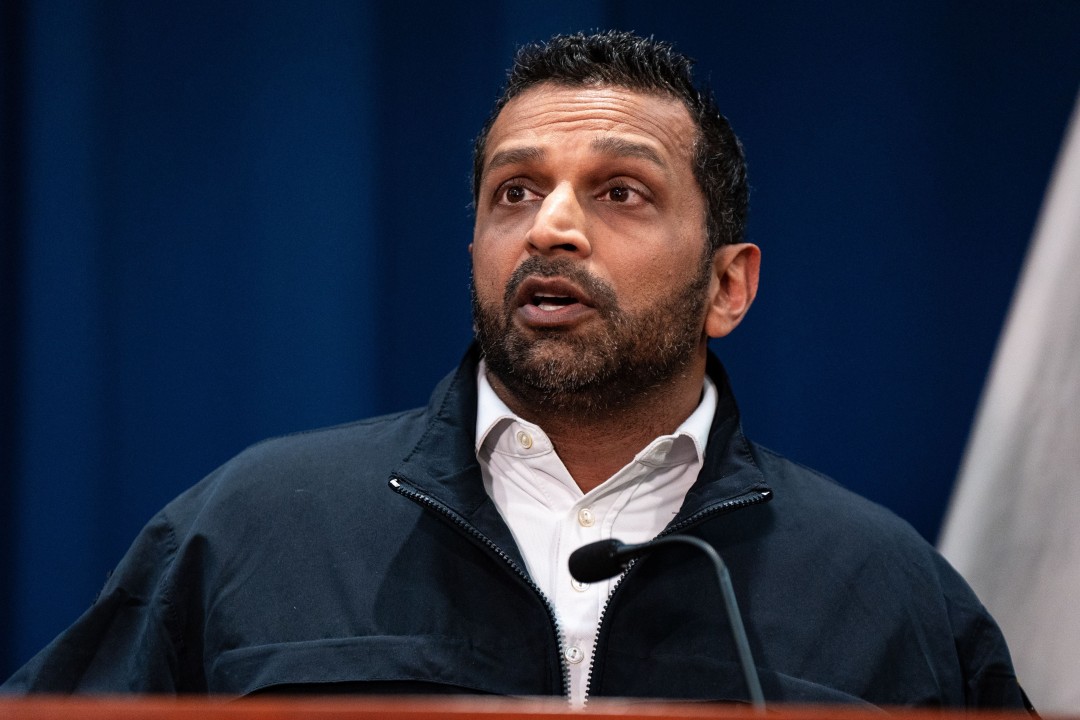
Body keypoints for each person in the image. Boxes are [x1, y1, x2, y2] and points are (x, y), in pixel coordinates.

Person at [2, 31, 1029, 709]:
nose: (550, 228)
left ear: (728, 286)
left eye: (621, 192)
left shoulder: (884, 591)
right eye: (514, 193)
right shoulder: (252, 528)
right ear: (476, 256)